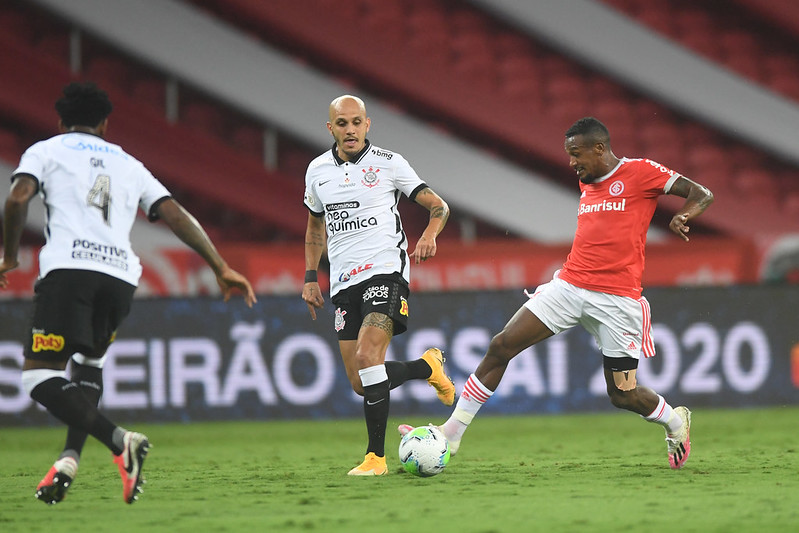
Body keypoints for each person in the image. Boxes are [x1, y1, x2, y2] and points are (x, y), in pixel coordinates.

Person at [401, 117, 714, 470]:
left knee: (623, 395)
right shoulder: (588, 182)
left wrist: (684, 215)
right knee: (501, 346)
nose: (571, 162)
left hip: (617, 300)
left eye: (576, 154)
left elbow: (702, 193)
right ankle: (453, 433)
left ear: (600, 149)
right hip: (569, 286)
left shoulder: (640, 172)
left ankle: (674, 421)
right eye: (569, 155)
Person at [0, 82, 257, 504]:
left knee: (37, 375)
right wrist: (220, 266)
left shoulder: (46, 150)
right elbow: (174, 214)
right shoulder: (128, 163)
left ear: (62, 121)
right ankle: (69, 458)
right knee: (88, 364)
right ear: (104, 124)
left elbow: (16, 199)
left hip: (70, 271)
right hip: (120, 277)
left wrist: (9, 257)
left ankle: (119, 440)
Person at [302, 95, 454, 476]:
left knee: (369, 360)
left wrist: (430, 235)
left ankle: (376, 458)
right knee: (361, 381)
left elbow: (439, 206)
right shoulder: (317, 170)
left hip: (386, 271)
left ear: (368, 124)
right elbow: (314, 228)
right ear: (330, 128)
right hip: (342, 281)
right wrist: (309, 277)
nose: (350, 130)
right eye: (342, 124)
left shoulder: (389, 164)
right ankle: (427, 367)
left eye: (356, 122)